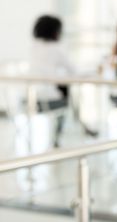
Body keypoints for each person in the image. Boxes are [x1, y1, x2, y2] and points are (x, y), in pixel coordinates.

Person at [29, 15, 75, 147]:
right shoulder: (57, 49)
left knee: (64, 90)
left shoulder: (33, 48)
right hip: (50, 102)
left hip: (29, 100)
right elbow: (74, 71)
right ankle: (58, 136)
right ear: (56, 31)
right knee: (67, 94)